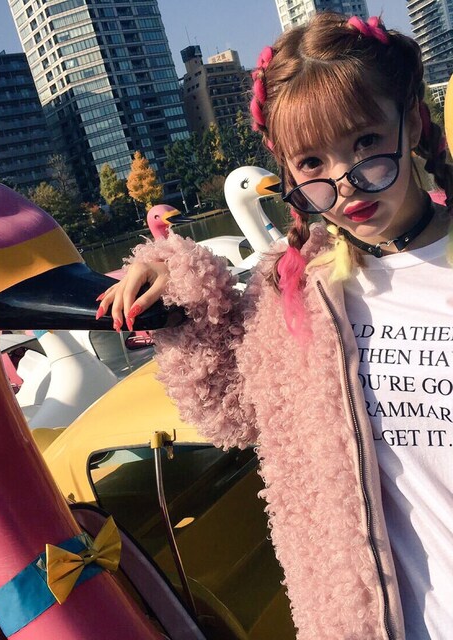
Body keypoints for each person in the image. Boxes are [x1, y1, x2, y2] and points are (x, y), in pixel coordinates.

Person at [96, 12, 452, 640]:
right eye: (313, 161)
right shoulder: (298, 293)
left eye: (366, 142)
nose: (346, 182)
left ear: (415, 122)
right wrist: (174, 277)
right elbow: (228, 412)